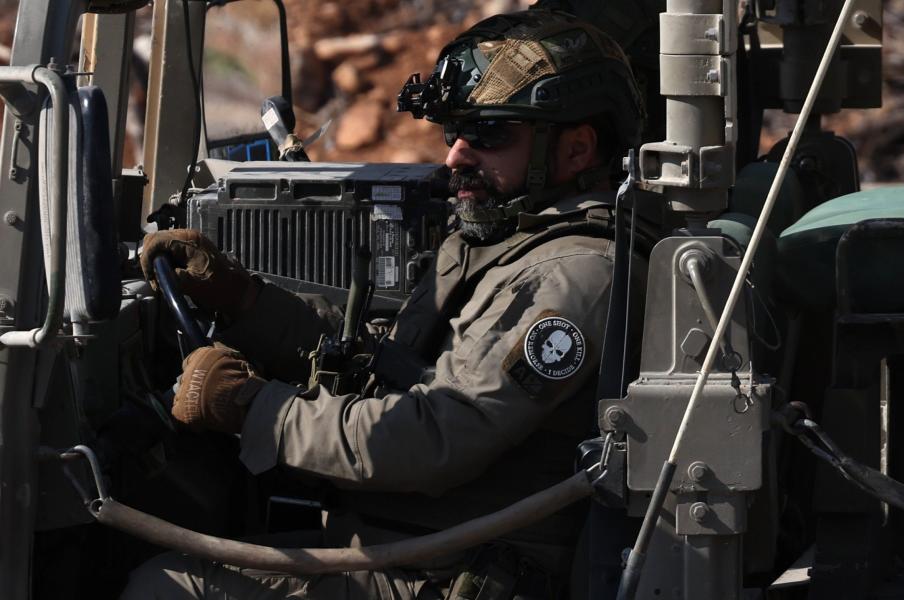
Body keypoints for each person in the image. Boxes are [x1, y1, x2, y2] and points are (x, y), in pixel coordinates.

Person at [124, 9, 646, 599]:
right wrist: (241, 300)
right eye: (454, 132)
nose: (455, 157)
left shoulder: (572, 276)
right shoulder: (502, 244)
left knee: (164, 587)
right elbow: (385, 365)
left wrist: (250, 408)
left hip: (448, 575)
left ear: (578, 150)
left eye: (491, 134)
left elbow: (435, 438)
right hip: (405, 549)